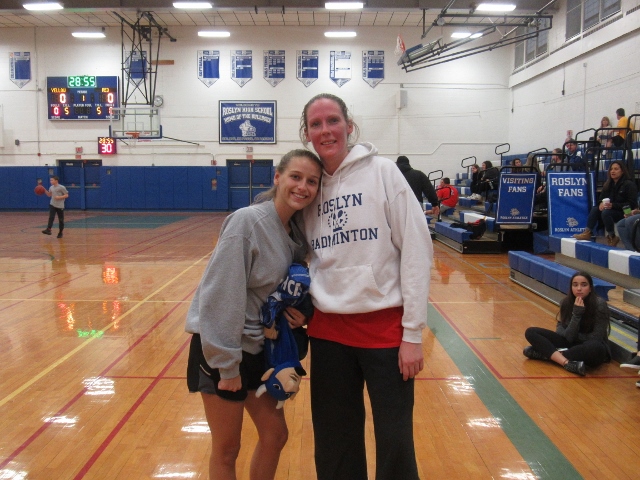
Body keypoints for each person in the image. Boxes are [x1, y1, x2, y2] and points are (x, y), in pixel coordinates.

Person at [299, 93, 433, 480]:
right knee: (334, 442)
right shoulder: (310, 186)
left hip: (386, 333)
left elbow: (416, 250)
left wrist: (413, 333)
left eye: (332, 120)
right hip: (328, 333)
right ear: (307, 134)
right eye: (316, 124)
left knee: (394, 441)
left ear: (349, 126)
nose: (326, 130)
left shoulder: (384, 172)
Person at [184, 149, 322, 480]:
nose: (303, 187)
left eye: (312, 181)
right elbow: (219, 295)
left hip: (261, 350)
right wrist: (226, 365)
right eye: (295, 177)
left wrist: (301, 314)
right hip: (222, 351)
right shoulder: (248, 221)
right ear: (277, 177)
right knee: (227, 448)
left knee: (275, 435)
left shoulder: (295, 232)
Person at [523, 271, 611, 376]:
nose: (579, 288)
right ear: (571, 287)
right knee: (531, 332)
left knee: (595, 347)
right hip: (570, 344)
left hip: (589, 348)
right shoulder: (566, 302)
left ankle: (548, 355)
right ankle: (566, 362)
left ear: (590, 288)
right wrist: (576, 314)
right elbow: (565, 336)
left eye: (584, 285)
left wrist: (573, 339)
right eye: (575, 285)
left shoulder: (599, 304)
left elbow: (596, 337)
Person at [573, 160, 638, 245]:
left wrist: (613, 205)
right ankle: (588, 232)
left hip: (626, 211)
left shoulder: (629, 184)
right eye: (611, 169)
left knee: (606, 212)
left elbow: (631, 204)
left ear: (622, 171)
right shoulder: (608, 184)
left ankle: (612, 236)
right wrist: (600, 203)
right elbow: (601, 198)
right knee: (595, 209)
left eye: (616, 169)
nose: (612, 171)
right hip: (612, 210)